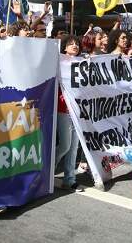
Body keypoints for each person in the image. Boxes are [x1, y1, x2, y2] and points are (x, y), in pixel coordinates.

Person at [56, 35, 84, 192]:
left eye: (77, 44)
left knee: (74, 147)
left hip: (77, 110)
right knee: (65, 145)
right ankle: (46, 171)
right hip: (63, 109)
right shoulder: (59, 62)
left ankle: (69, 179)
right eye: (71, 44)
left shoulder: (82, 63)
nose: (75, 46)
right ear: (64, 48)